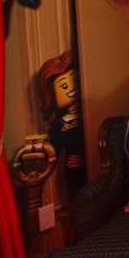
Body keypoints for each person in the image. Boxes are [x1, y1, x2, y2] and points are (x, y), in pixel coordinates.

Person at [35, 50, 86, 198]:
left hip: (94, 164)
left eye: (74, 79)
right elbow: (53, 150)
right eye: (64, 86)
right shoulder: (60, 123)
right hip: (73, 171)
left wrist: (84, 156)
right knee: (77, 197)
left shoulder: (90, 111)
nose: (71, 88)